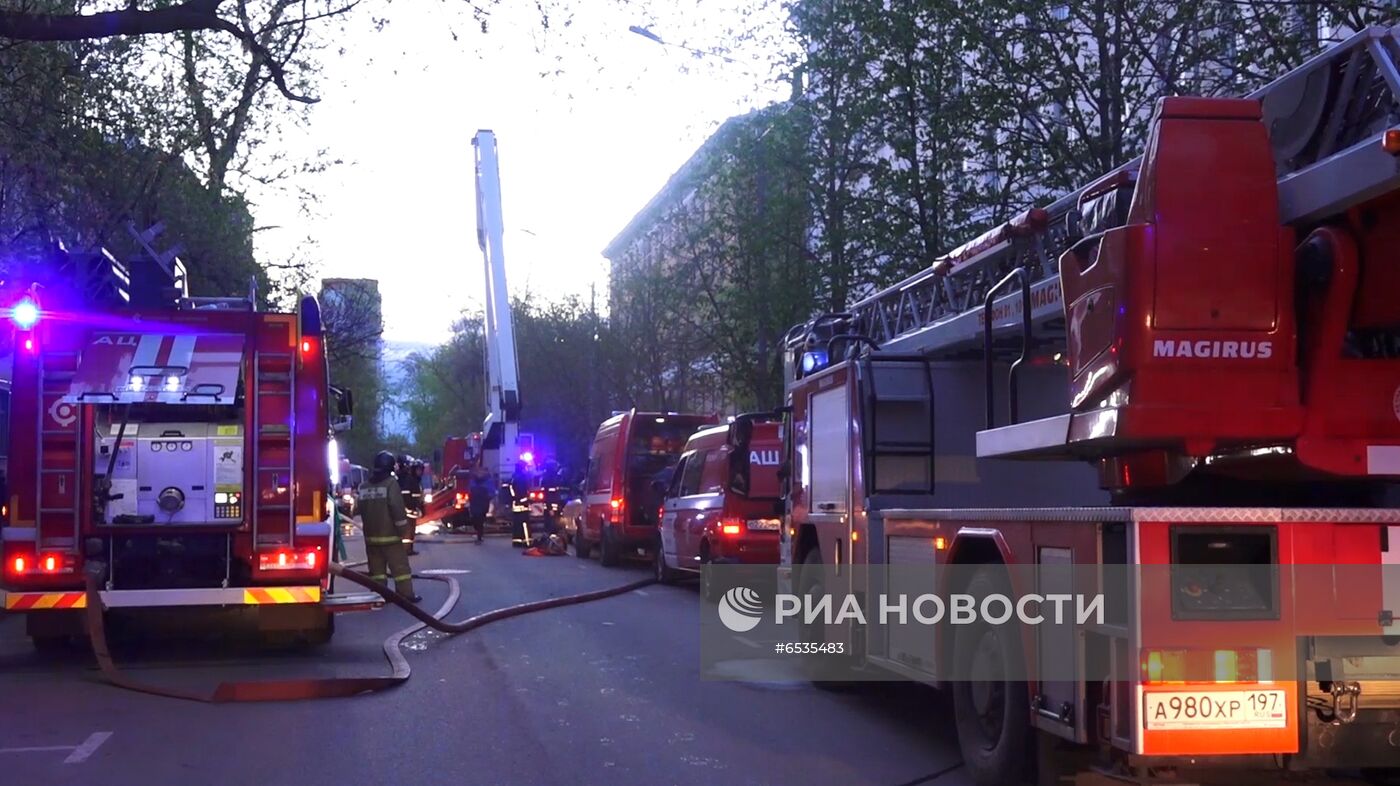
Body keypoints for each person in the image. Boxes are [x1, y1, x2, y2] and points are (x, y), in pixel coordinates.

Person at [358, 450, 420, 602]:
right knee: (401, 569)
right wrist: (403, 530)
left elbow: (361, 510)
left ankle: (379, 595)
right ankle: (405, 595)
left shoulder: (364, 486)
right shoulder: (391, 484)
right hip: (390, 537)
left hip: (371, 538)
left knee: (377, 571)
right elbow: (397, 508)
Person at [397, 455, 422, 555]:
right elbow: (406, 494)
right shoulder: (408, 480)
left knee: (410, 531)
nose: (419, 472)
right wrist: (410, 508)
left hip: (411, 509)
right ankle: (406, 549)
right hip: (408, 510)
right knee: (408, 531)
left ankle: (409, 548)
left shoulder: (410, 479)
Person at [467, 465, 493, 544]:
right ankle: (479, 535)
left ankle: (479, 536)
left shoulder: (486, 482)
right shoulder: (475, 482)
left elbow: (491, 493)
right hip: (478, 505)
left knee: (479, 520)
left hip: (480, 505)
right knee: (478, 521)